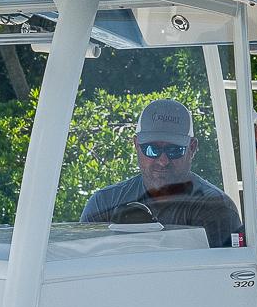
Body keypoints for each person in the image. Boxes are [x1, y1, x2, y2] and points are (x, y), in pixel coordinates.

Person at [80, 97, 244, 247]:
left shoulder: (217, 209)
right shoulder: (102, 205)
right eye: (151, 149)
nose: (163, 160)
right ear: (136, 145)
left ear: (192, 148)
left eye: (174, 150)